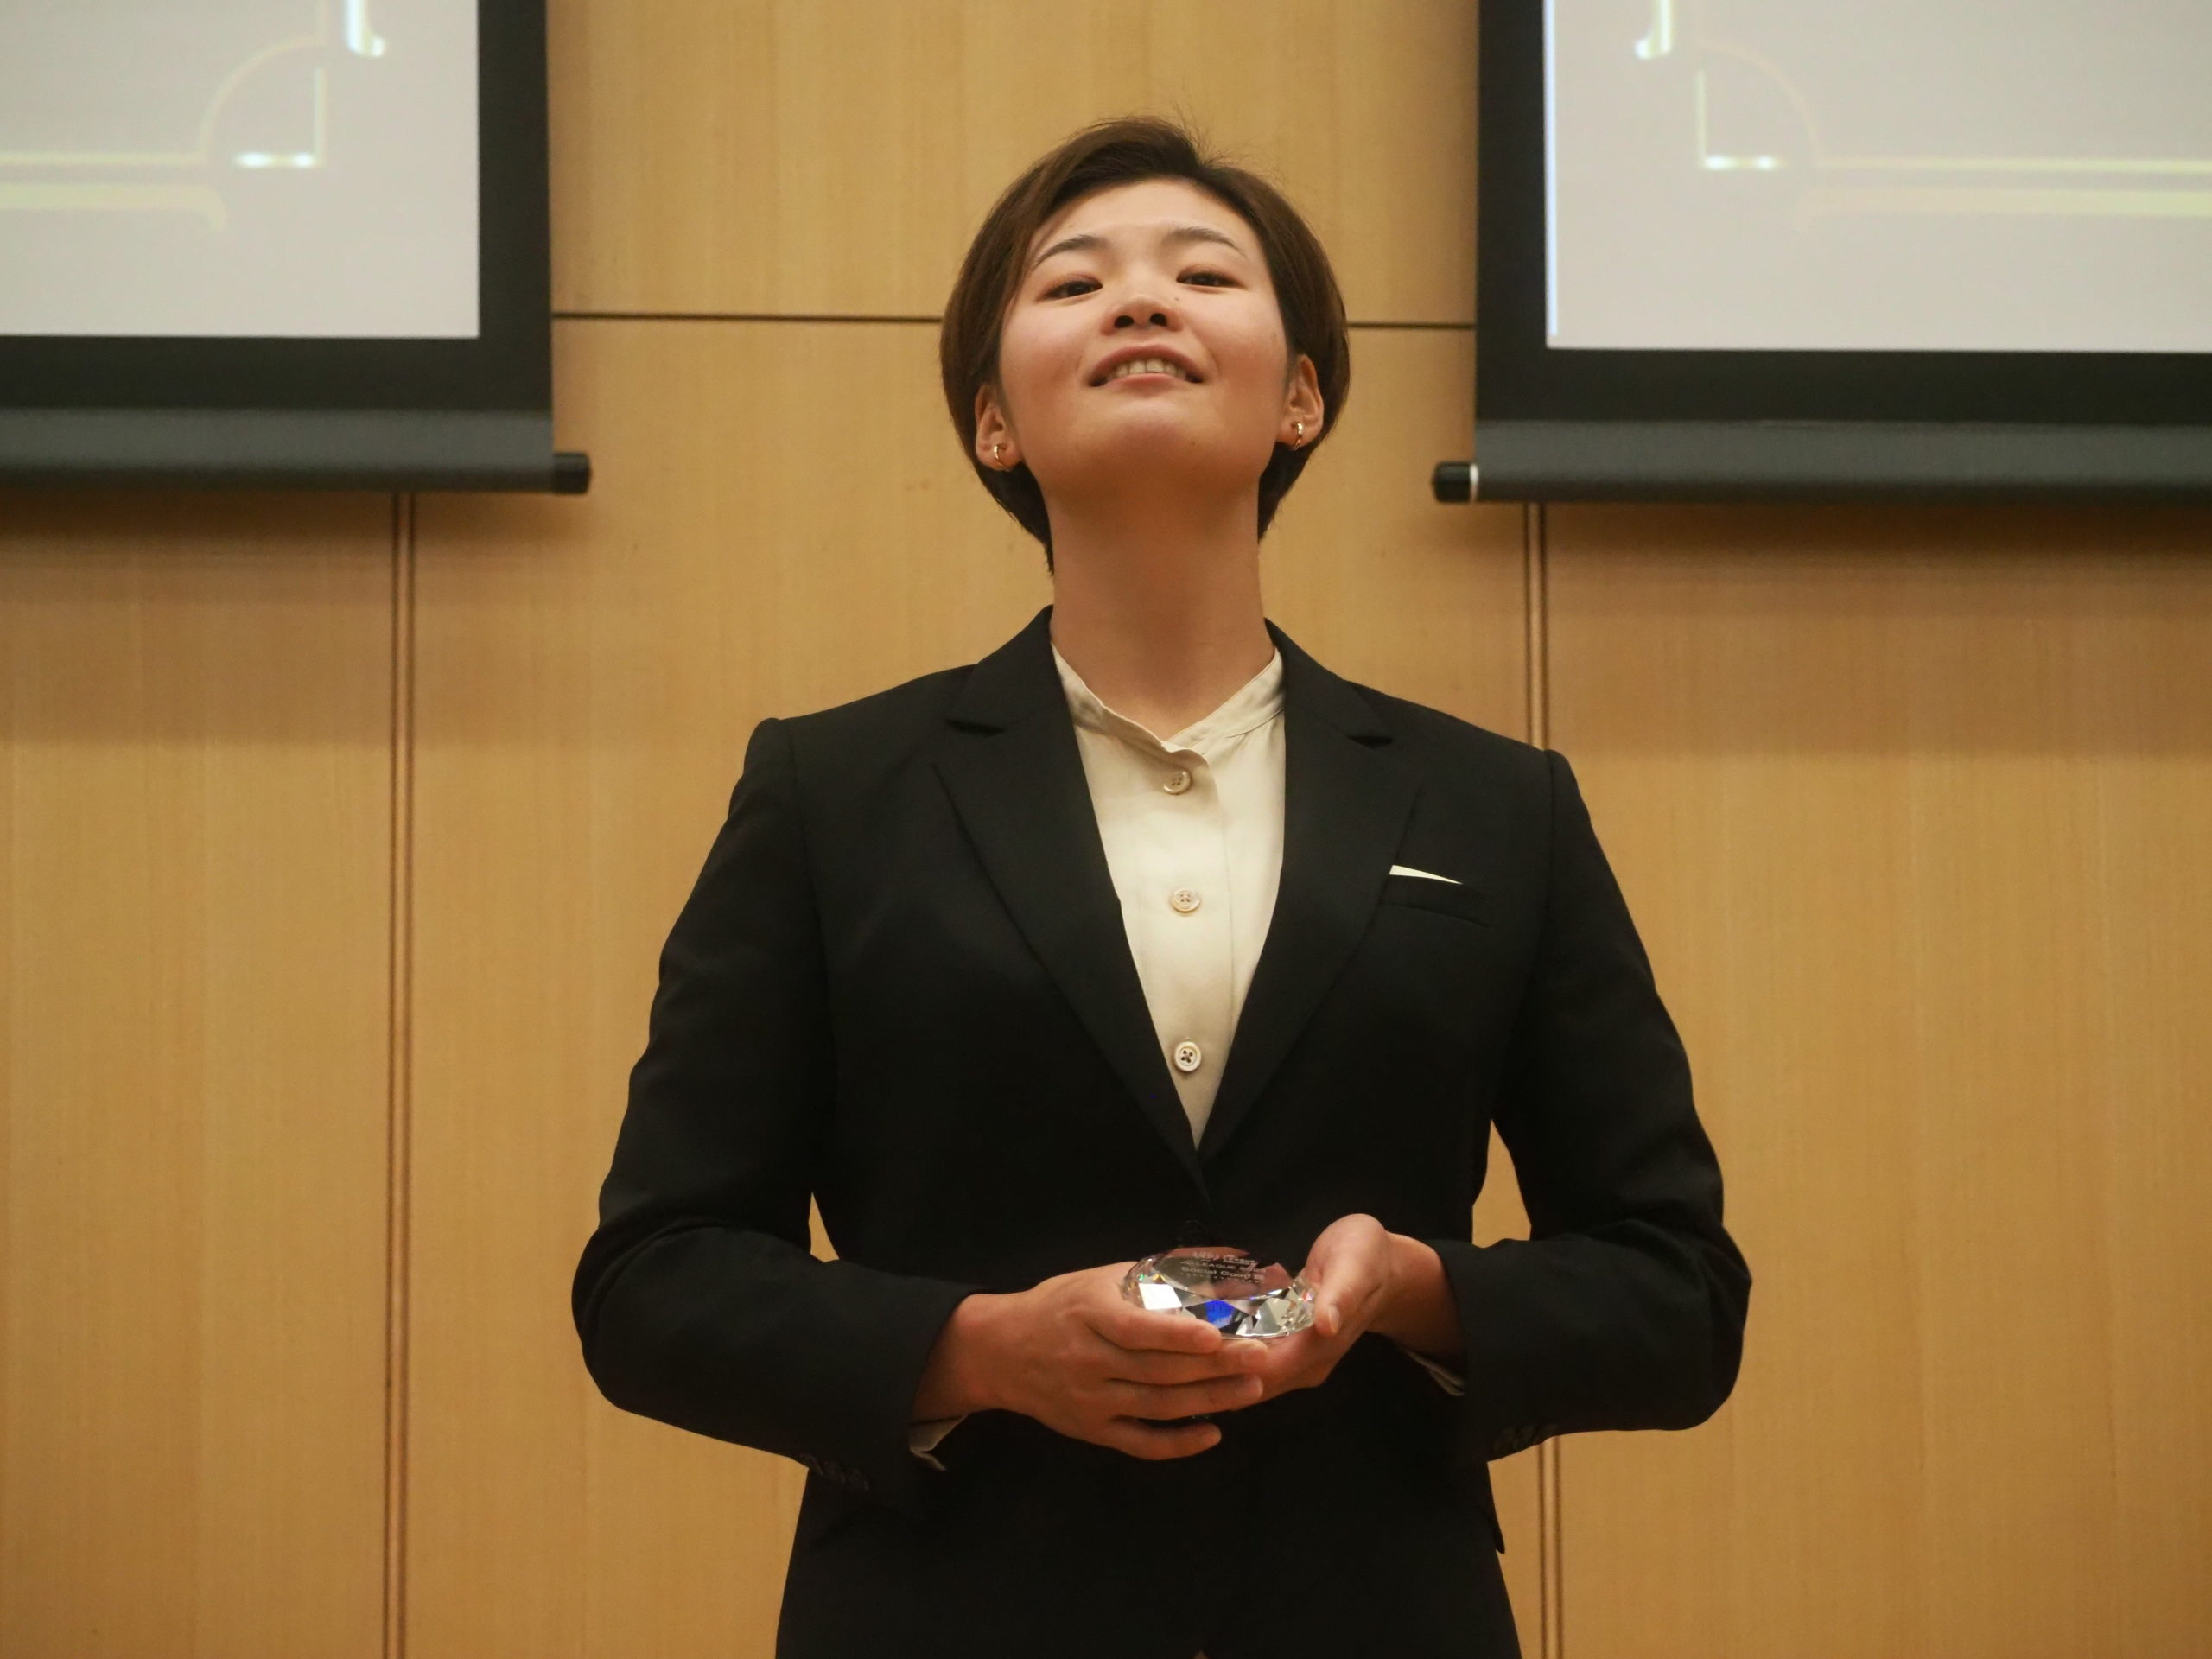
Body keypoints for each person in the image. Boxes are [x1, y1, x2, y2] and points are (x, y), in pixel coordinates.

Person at [572, 116, 1750, 1659]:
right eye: (1074, 283)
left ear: (1301, 396)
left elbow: (1677, 1294)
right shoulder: (834, 792)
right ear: (994, 421)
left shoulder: (1496, 805)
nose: (1139, 300)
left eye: (1202, 275)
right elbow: (653, 1281)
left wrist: (1414, 1291)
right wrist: (980, 1349)